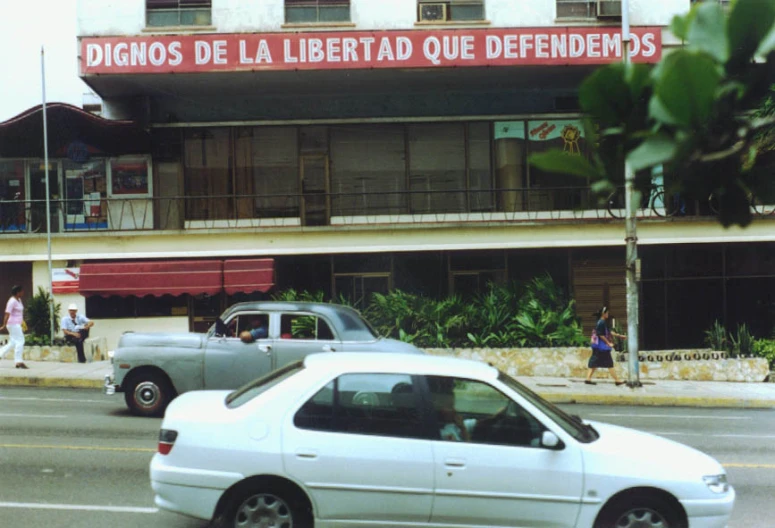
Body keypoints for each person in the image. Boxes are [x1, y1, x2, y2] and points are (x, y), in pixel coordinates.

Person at [586, 306, 626, 386]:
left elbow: (608, 332)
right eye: (607, 313)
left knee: (594, 362)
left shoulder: (602, 322)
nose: (608, 314)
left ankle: (588, 378)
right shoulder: (601, 322)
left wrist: (619, 336)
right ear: (603, 314)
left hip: (599, 347)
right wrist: (608, 343)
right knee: (609, 363)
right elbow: (601, 335)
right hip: (602, 347)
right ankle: (617, 380)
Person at [0, 285, 28, 369]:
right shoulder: (11, 301)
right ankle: (18, 361)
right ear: (17, 292)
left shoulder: (19, 300)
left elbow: (19, 313)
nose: (23, 292)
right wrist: (4, 325)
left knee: (12, 342)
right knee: (20, 341)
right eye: (21, 291)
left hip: (17, 324)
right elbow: (7, 313)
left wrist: (22, 323)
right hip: (13, 324)